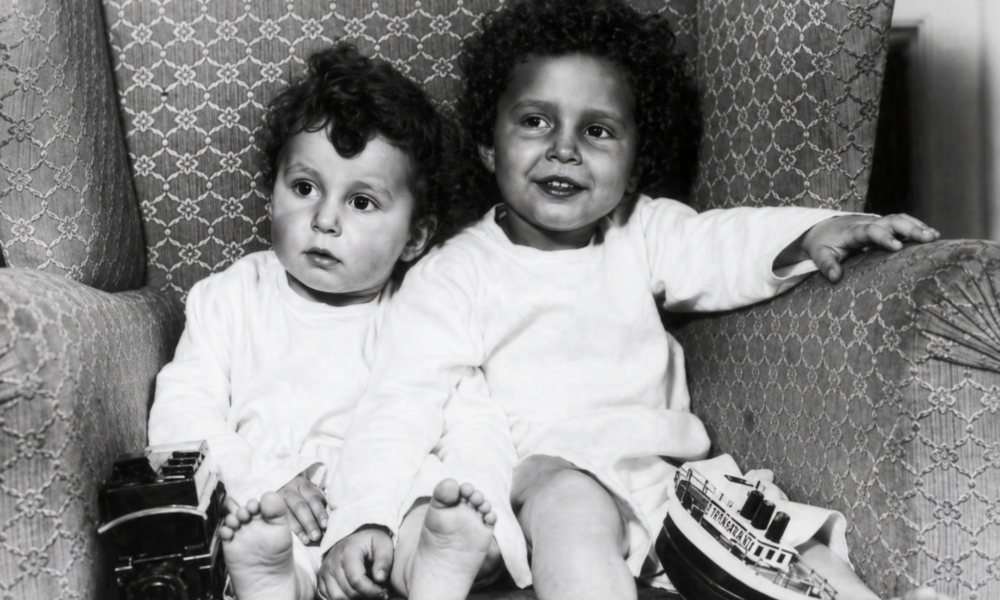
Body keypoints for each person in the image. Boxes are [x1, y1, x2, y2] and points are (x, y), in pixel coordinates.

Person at [318, 2, 955, 600]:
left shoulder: (641, 230)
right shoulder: (456, 272)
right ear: (489, 143)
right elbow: (400, 401)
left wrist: (816, 231)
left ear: (634, 162)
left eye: (596, 131)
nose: (562, 148)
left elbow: (721, 245)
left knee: (788, 539)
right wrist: (364, 516)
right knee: (574, 515)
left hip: (675, 477)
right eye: (535, 121)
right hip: (550, 474)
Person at [147, 42, 499, 600]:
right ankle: (273, 580)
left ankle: (431, 567)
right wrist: (258, 484)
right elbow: (182, 412)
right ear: (271, 194)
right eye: (305, 188)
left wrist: (475, 502)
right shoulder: (232, 297)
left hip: (385, 504)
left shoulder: (425, 312)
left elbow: (472, 419)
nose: (325, 220)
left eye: (361, 202)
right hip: (270, 498)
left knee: (429, 505)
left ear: (415, 237)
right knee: (256, 539)